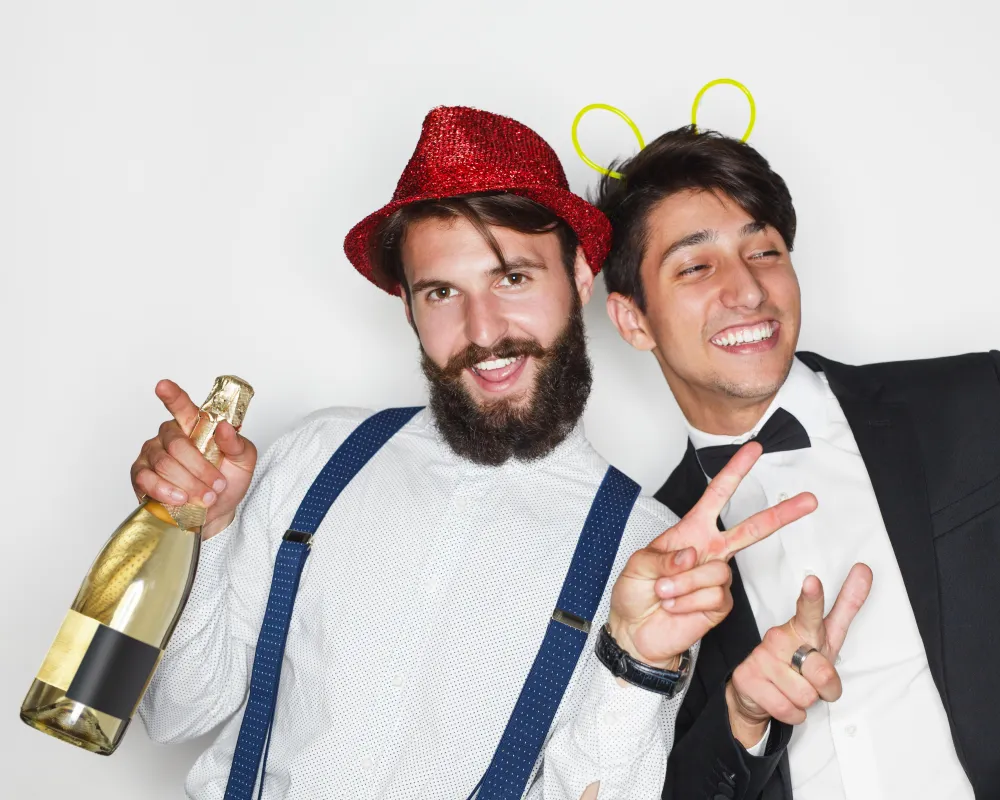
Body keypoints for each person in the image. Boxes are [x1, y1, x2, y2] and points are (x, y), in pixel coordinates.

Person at [128, 108, 814, 800]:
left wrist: (635, 664)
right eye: (442, 292)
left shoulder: (647, 548)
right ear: (408, 308)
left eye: (512, 278)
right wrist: (201, 533)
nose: (483, 331)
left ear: (579, 276)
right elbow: (172, 713)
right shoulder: (318, 457)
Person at [593, 126, 1000, 800]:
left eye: (763, 250)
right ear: (632, 321)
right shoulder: (643, 556)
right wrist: (742, 718)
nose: (747, 289)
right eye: (696, 266)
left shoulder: (976, 408)